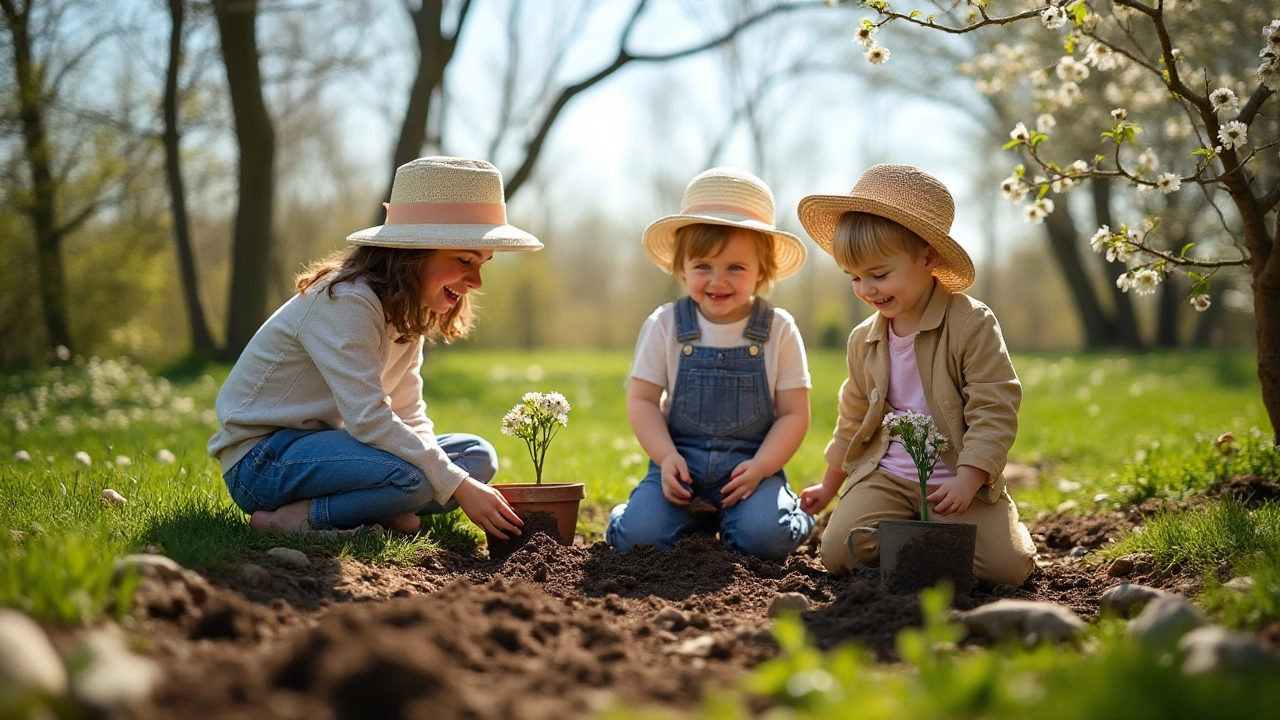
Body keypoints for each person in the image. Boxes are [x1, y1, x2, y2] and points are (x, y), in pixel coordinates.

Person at [208, 157, 537, 540]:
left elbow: (407, 411)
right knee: (416, 478)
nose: (477, 281)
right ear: (412, 253)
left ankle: (380, 507)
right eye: (464, 260)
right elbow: (368, 418)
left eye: (483, 263)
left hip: (331, 451)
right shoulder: (347, 300)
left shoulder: (409, 309)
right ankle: (297, 519)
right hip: (265, 461)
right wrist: (456, 485)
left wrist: (455, 476)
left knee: (475, 457)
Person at [795, 164, 1038, 586]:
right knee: (838, 553)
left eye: (879, 274)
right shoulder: (864, 340)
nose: (867, 290)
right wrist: (830, 485)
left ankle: (928, 544)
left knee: (1006, 569)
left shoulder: (970, 323)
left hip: (955, 480)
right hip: (887, 476)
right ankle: (920, 547)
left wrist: (969, 478)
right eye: (854, 278)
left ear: (928, 257)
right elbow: (852, 419)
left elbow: (994, 405)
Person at [605, 167, 816, 563]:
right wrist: (666, 457)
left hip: (751, 468)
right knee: (638, 540)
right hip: (679, 465)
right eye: (703, 266)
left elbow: (794, 414)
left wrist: (762, 467)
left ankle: (789, 515)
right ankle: (654, 517)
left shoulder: (778, 329)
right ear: (681, 268)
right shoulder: (665, 324)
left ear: (762, 271)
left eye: (735, 267)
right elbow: (643, 401)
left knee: (764, 541)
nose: (718, 280)